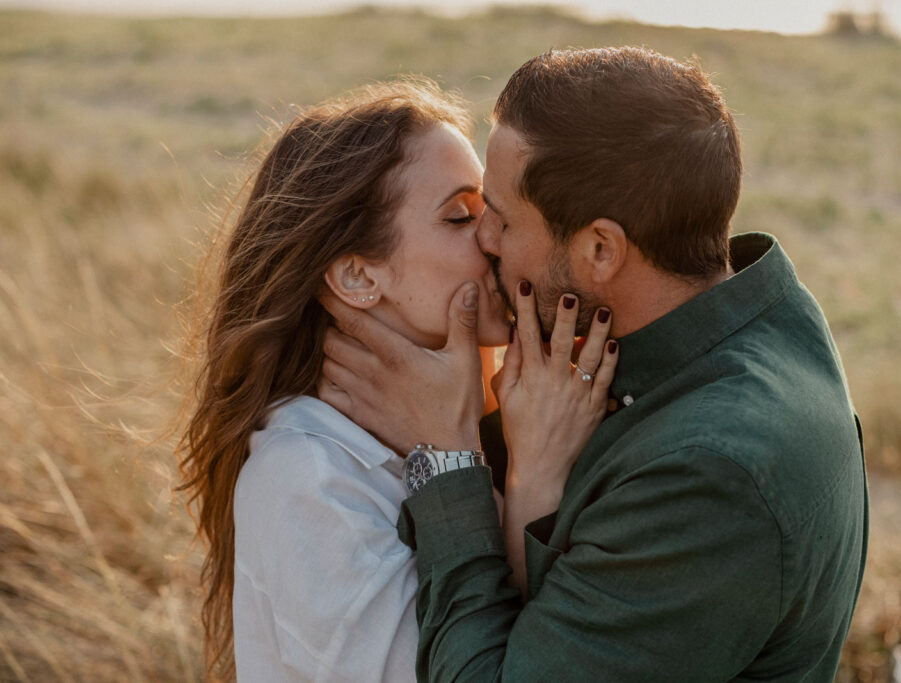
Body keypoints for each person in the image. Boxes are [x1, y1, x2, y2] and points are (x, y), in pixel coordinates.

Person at [317, 47, 869, 681]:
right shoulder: (751, 323)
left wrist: (446, 457)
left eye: (502, 219)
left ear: (601, 249)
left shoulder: (709, 476)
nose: (485, 240)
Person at [177, 81, 618, 681]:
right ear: (359, 276)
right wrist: (530, 478)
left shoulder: (508, 406)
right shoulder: (310, 478)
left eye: (493, 209)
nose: (494, 237)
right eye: (460, 216)